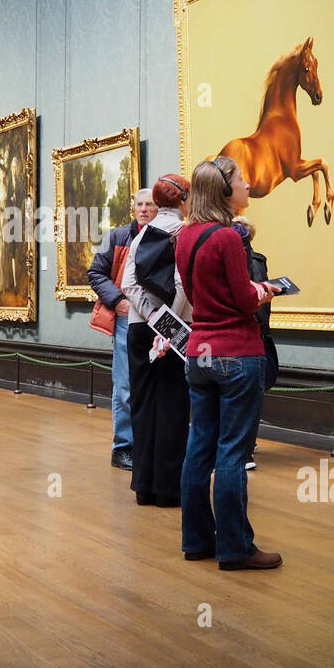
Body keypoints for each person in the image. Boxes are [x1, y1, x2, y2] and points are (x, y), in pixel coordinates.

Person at [175, 157, 281, 571]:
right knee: (232, 454)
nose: (248, 184)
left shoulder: (185, 237)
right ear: (223, 190)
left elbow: (202, 292)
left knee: (199, 448)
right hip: (236, 353)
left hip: (200, 352)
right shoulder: (226, 238)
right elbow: (242, 299)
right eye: (240, 179)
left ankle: (197, 540)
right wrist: (265, 290)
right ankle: (235, 547)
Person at [120, 174, 192, 507]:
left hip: (138, 327)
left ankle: (143, 486)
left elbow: (128, 284)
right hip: (174, 330)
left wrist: (149, 317)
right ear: (183, 200)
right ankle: (168, 488)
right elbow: (180, 285)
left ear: (158, 202)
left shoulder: (141, 236)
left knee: (143, 404)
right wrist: (167, 324)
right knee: (173, 406)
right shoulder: (183, 232)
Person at [88, 188, 158, 470]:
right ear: (133, 208)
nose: (143, 209)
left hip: (157, 318)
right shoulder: (117, 237)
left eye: (149, 204)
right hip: (126, 319)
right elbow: (95, 272)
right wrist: (117, 301)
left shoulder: (166, 236)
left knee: (155, 384)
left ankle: (150, 444)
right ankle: (123, 447)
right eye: (139, 204)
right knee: (126, 383)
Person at [232, 216, 275, 471]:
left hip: (247, 333)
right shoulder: (256, 260)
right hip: (253, 333)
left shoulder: (255, 261)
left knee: (246, 395)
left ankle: (244, 449)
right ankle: (245, 446)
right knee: (248, 394)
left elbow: (256, 300)